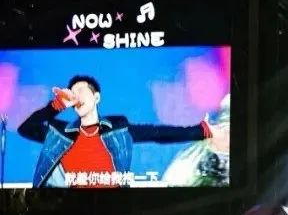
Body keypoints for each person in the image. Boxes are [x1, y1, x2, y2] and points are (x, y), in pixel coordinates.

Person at [16, 76, 229, 188]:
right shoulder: (60, 133)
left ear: (96, 97)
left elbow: (157, 134)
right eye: (73, 92)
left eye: (81, 90)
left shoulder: (118, 130)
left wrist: (202, 131)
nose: (76, 96)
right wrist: (57, 105)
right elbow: (26, 129)